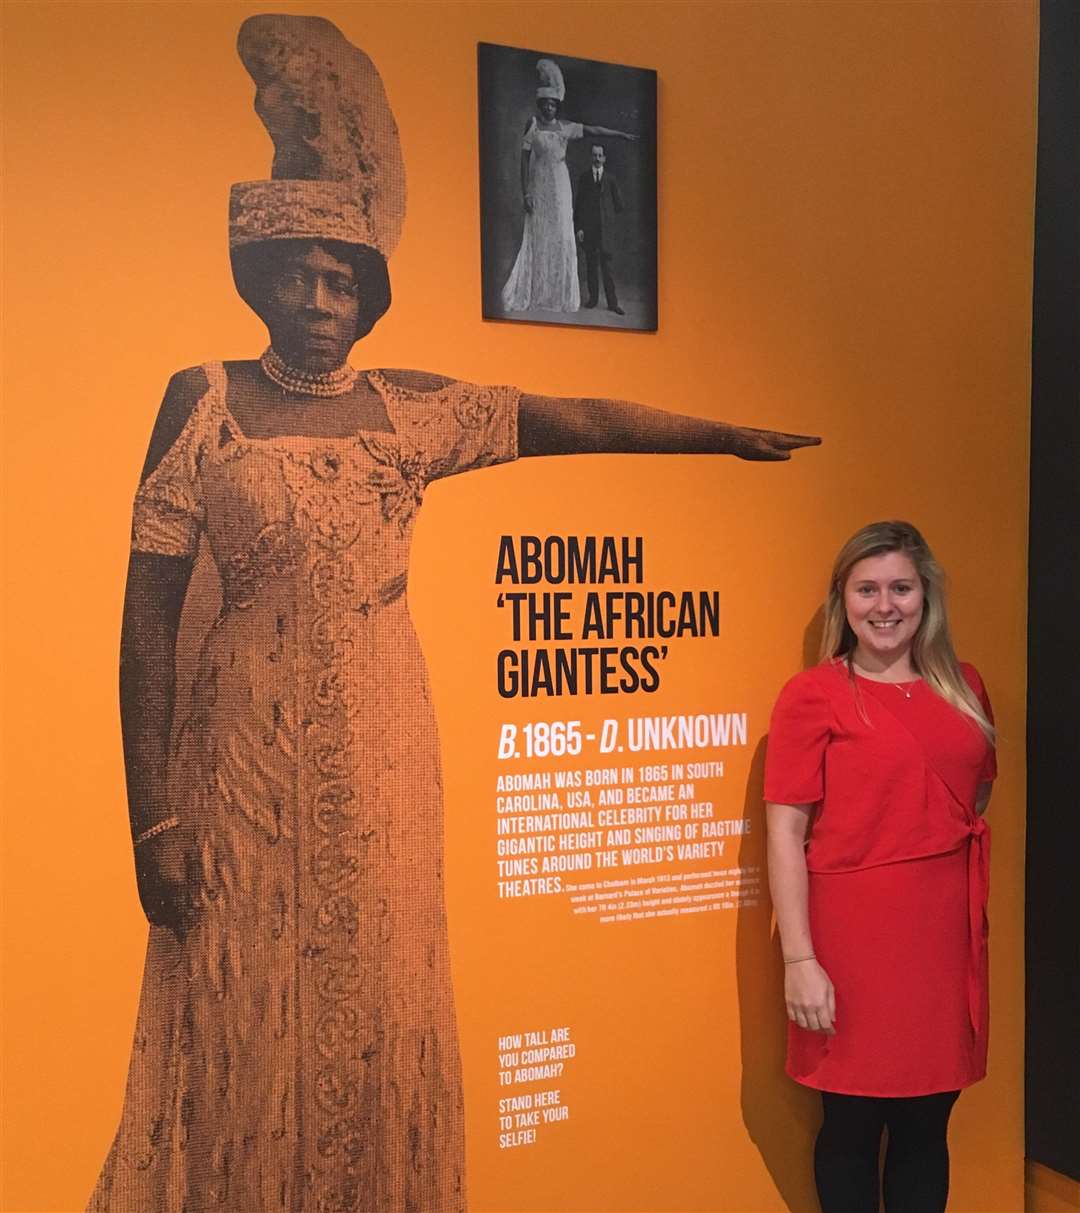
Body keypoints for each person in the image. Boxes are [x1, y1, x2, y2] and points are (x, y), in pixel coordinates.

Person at [90, 15, 819, 1213]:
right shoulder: (204, 400)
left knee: (377, 992)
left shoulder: (407, 411)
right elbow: (145, 617)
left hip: (382, 757)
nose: (320, 298)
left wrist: (718, 436)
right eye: (299, 276)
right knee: (237, 1003)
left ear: (367, 298)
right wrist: (152, 820)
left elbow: (565, 417)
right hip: (238, 769)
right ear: (261, 281)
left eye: (342, 279)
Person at [764, 521, 996, 1213]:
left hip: (943, 938)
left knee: (930, 1121)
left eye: (901, 586)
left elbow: (975, 790)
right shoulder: (813, 694)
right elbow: (785, 831)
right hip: (849, 940)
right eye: (867, 588)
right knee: (852, 1122)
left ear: (926, 596)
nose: (884, 604)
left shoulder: (964, 686)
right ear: (844, 599)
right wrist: (800, 958)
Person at [501, 58, 636, 314]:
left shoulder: (566, 128)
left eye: (554, 104)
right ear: (541, 105)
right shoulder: (532, 124)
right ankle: (538, 292)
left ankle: (560, 293)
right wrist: (525, 192)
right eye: (546, 104)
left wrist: (620, 134)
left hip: (560, 187)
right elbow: (524, 159)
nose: (550, 108)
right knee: (540, 235)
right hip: (539, 186)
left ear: (557, 106)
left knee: (562, 235)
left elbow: (594, 130)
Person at [575, 144, 625, 313]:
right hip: (589, 230)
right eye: (594, 155)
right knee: (591, 265)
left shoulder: (611, 179)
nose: (597, 158)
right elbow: (579, 205)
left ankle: (613, 303)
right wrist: (580, 228)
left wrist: (608, 218)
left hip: (605, 231)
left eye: (600, 155)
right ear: (591, 157)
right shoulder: (584, 178)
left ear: (604, 158)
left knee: (607, 268)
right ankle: (593, 299)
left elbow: (619, 205)